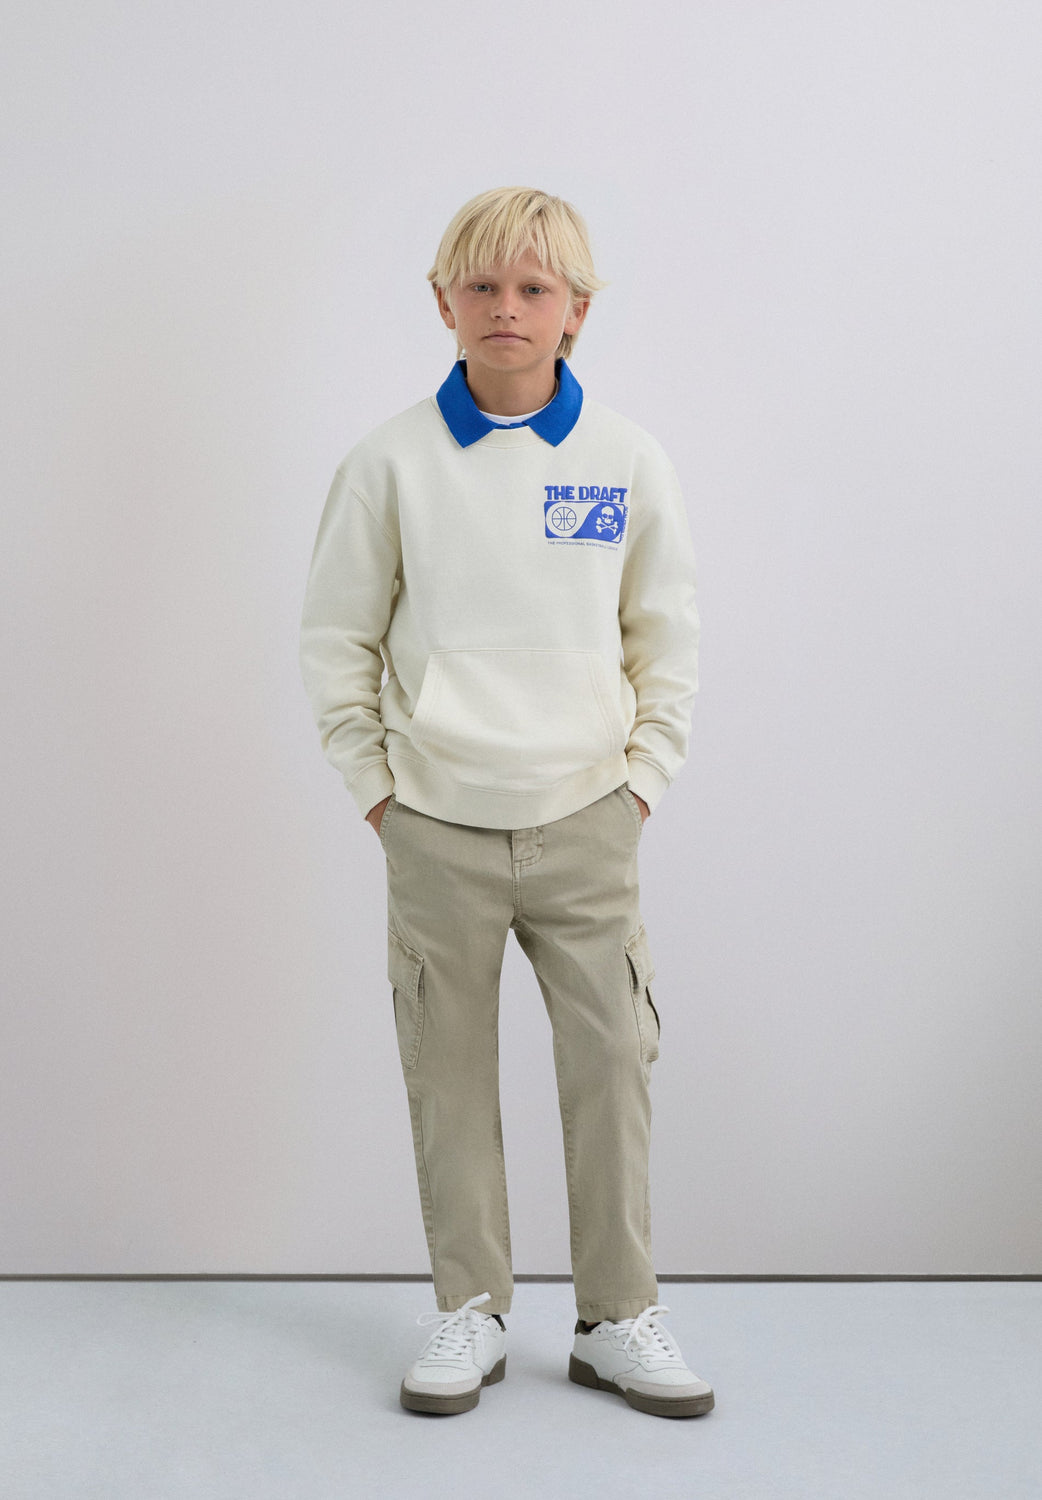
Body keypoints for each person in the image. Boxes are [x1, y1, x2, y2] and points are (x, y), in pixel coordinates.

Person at [300, 187, 712, 1419]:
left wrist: (640, 783)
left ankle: (617, 1315)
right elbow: (335, 641)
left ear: (576, 310)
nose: (506, 308)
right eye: (480, 286)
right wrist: (380, 793)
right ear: (443, 303)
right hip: (436, 822)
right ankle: (470, 1309)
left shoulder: (626, 460)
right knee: (448, 1070)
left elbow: (665, 637)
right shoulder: (387, 464)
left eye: (534, 288)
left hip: (587, 814)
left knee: (611, 1064)